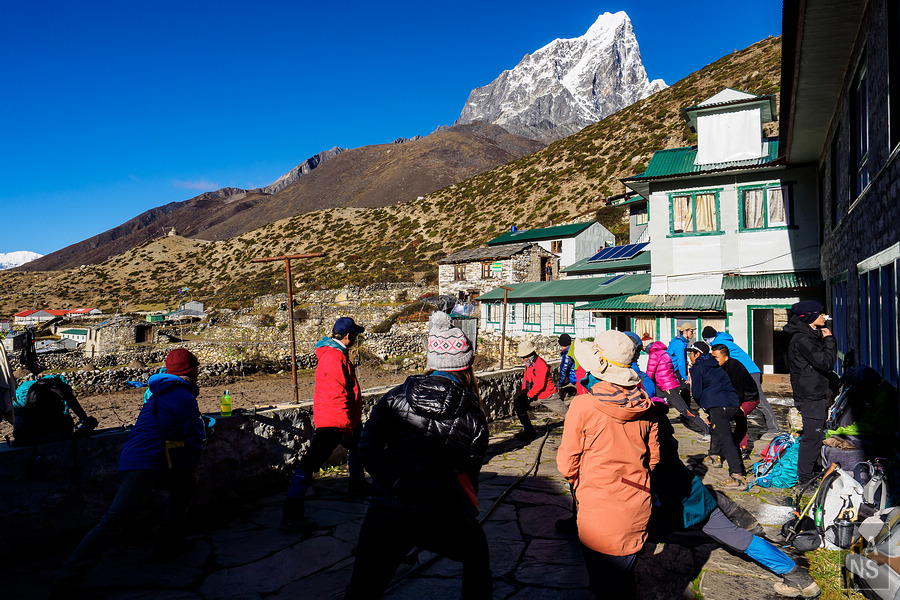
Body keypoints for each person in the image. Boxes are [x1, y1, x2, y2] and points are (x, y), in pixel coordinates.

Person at [345, 312, 490, 599]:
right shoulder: (474, 414)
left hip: (389, 508)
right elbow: (469, 471)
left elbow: (367, 449)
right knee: (477, 556)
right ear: (466, 365)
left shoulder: (394, 397)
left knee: (364, 587)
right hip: (440, 513)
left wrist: (397, 483)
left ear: (431, 362)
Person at [53, 349, 204, 593]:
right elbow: (193, 437)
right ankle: (66, 582)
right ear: (191, 370)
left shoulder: (157, 394)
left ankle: (166, 540)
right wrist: (194, 465)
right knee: (112, 522)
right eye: (196, 368)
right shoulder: (183, 398)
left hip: (137, 459)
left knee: (182, 487)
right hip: (145, 465)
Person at [648, 398, 821, 598]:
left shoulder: (642, 442)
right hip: (694, 495)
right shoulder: (662, 431)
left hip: (673, 502)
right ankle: (798, 576)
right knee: (734, 535)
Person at [557, 331, 660, 599]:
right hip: (637, 506)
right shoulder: (647, 408)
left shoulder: (583, 406)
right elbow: (654, 459)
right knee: (624, 583)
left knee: (603, 584)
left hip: (598, 509)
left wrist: (580, 482)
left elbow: (567, 463)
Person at [282, 317, 368, 531]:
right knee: (309, 464)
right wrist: (346, 426)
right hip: (335, 421)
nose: (356, 338)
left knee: (360, 447)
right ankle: (292, 514)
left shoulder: (335, 355)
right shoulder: (334, 357)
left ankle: (356, 484)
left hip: (343, 419)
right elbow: (337, 395)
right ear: (348, 336)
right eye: (355, 335)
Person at [784, 300, 837, 487]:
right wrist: (829, 340)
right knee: (812, 437)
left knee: (815, 436)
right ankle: (805, 478)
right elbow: (825, 362)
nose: (825, 316)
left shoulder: (808, 335)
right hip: (811, 395)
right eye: (821, 313)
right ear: (810, 317)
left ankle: (809, 471)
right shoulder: (803, 339)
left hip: (813, 393)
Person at [687, 341, 747, 491]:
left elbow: (697, 393)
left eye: (691, 353)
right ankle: (714, 457)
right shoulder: (714, 365)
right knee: (717, 429)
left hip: (719, 405)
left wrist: (704, 406)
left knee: (726, 439)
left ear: (698, 354)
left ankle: (737, 476)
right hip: (732, 404)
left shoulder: (697, 368)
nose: (689, 356)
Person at [702, 326, 780, 434]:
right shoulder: (722, 340)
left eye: (706, 340)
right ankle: (741, 433)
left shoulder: (720, 344)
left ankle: (774, 429)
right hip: (744, 371)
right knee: (742, 402)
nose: (707, 342)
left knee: (759, 400)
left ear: (710, 338)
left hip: (750, 371)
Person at [646, 340, 709, 436]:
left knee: (685, 411)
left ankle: (706, 430)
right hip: (667, 384)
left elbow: (650, 372)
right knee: (654, 406)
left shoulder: (654, 354)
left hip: (667, 386)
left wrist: (646, 385)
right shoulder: (664, 353)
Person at [711, 344, 760, 460]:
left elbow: (738, 389)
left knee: (738, 416)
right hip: (734, 398)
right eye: (712, 357)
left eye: (716, 358)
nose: (714, 360)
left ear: (726, 357)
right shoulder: (717, 367)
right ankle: (736, 446)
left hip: (749, 397)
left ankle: (741, 448)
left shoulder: (734, 367)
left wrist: (737, 405)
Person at [513, 339, 568, 441]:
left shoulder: (541, 364)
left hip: (549, 396)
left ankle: (581, 430)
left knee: (569, 415)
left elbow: (540, 385)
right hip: (535, 396)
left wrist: (528, 396)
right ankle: (529, 431)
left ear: (529, 355)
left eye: (523, 357)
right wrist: (523, 394)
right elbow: (526, 379)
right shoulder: (529, 364)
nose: (523, 359)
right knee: (518, 405)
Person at [557, 334, 577, 399]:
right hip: (578, 376)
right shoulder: (573, 350)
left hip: (574, 378)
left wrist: (560, 382)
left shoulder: (567, 354)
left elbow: (564, 370)